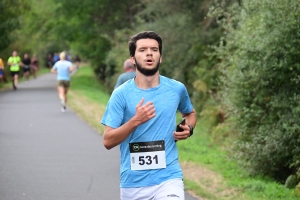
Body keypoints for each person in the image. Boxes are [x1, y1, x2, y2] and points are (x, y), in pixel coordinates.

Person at [101, 31, 197, 200]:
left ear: (160, 57)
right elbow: (108, 141)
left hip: (169, 176)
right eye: (143, 49)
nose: (149, 53)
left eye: (154, 49)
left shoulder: (176, 89)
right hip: (133, 183)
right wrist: (135, 120)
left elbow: (189, 113)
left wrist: (188, 127)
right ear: (133, 58)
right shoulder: (121, 94)